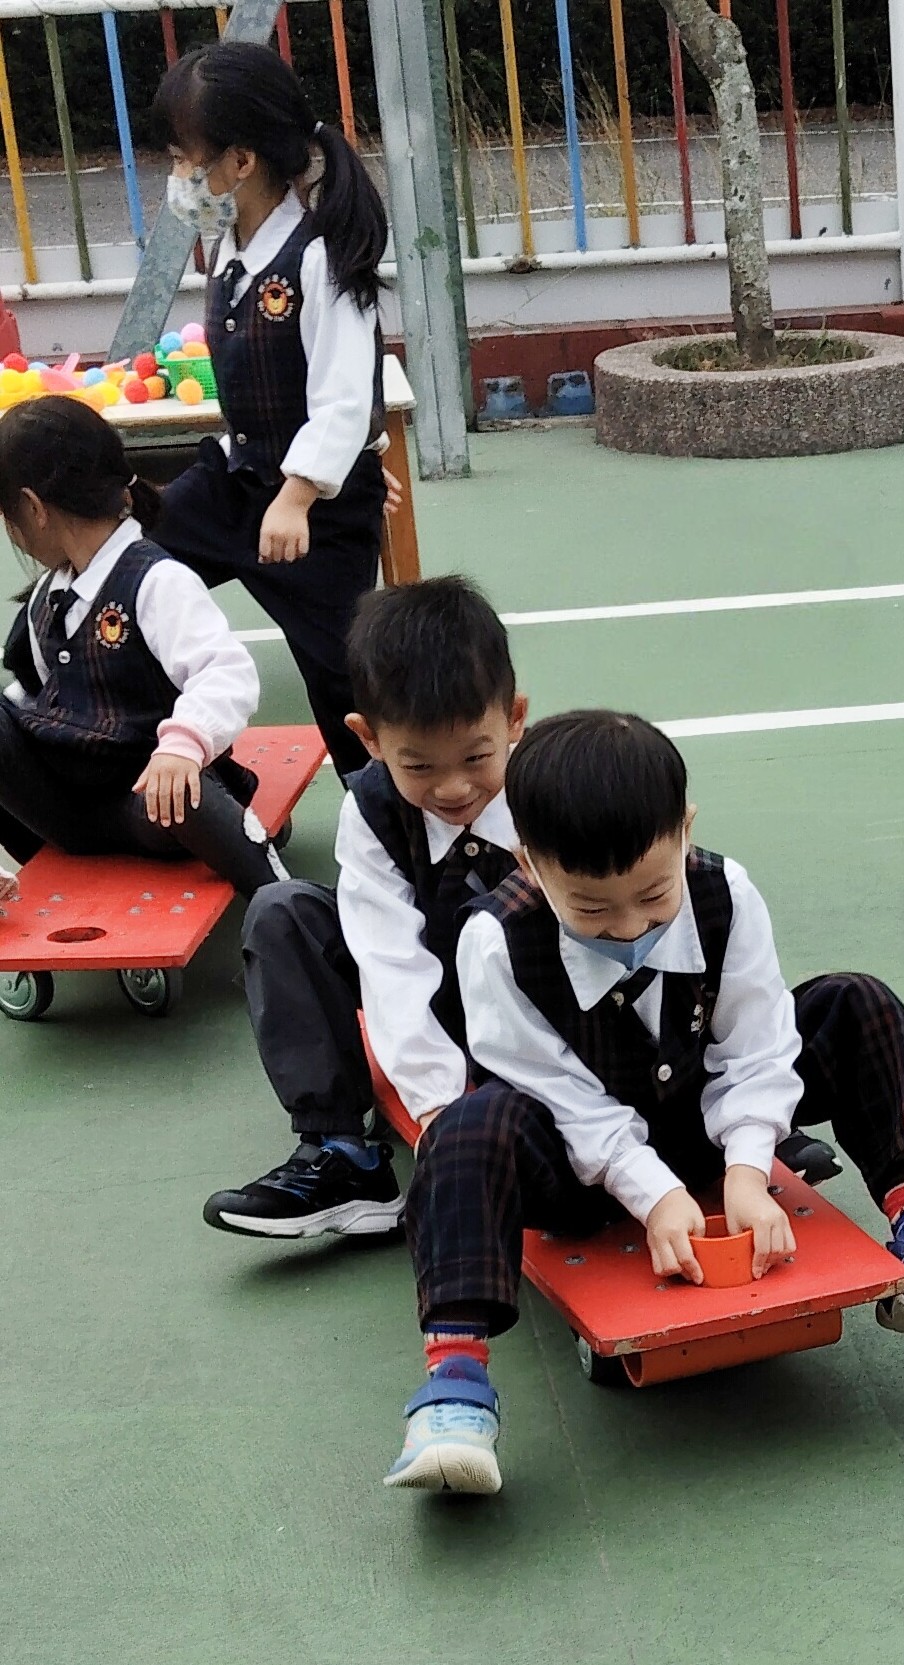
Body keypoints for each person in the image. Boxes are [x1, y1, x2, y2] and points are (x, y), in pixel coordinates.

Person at [390, 709, 904, 1496]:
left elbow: (759, 1043)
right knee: (468, 1125)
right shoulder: (495, 942)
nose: (628, 926)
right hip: (577, 1168)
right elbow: (560, 1097)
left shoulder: (725, 893)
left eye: (653, 894)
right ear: (529, 864)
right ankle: (456, 1387)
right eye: (592, 910)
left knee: (853, 1004)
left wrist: (747, 1168)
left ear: (685, 828)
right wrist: (655, 1195)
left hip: (701, 1123)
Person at [203, 576, 526, 1240]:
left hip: (540, 1005)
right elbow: (389, 963)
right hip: (432, 989)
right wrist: (438, 1113)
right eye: (420, 766)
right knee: (282, 911)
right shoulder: (373, 812)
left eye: (476, 756)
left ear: (514, 719)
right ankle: (342, 1154)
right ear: (370, 737)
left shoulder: (549, 789)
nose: (454, 787)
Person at [151, 40, 391, 783]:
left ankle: (394, 809)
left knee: (345, 680)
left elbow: (345, 394)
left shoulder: (320, 257)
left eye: (184, 160)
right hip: (238, 484)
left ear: (240, 161)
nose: (177, 179)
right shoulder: (232, 247)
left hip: (308, 515)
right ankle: (192, 768)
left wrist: (310, 488)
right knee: (127, 572)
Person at [0, 395, 286, 899]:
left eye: (8, 516)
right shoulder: (49, 594)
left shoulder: (156, 581)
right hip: (72, 810)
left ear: (34, 508)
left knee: (186, 795)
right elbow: (34, 696)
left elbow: (226, 674)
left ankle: (278, 891)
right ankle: (26, 878)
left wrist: (182, 746)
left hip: (147, 806)